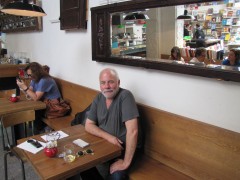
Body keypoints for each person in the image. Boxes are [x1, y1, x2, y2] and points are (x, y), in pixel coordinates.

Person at [80, 68, 142, 180]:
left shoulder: (126, 96)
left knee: (116, 176)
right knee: (82, 164)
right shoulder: (99, 97)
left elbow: (133, 132)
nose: (107, 86)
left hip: (124, 149)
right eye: (103, 83)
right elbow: (88, 125)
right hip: (105, 145)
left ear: (118, 82)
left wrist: (125, 162)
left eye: (111, 82)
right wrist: (109, 137)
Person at [16, 62, 62, 134]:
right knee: (30, 112)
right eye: (28, 75)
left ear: (36, 73)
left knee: (33, 112)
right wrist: (22, 87)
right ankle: (38, 130)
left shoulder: (45, 80)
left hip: (53, 106)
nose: (29, 77)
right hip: (43, 102)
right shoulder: (34, 79)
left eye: (30, 75)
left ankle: (41, 131)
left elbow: (36, 98)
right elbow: (30, 92)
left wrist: (24, 87)